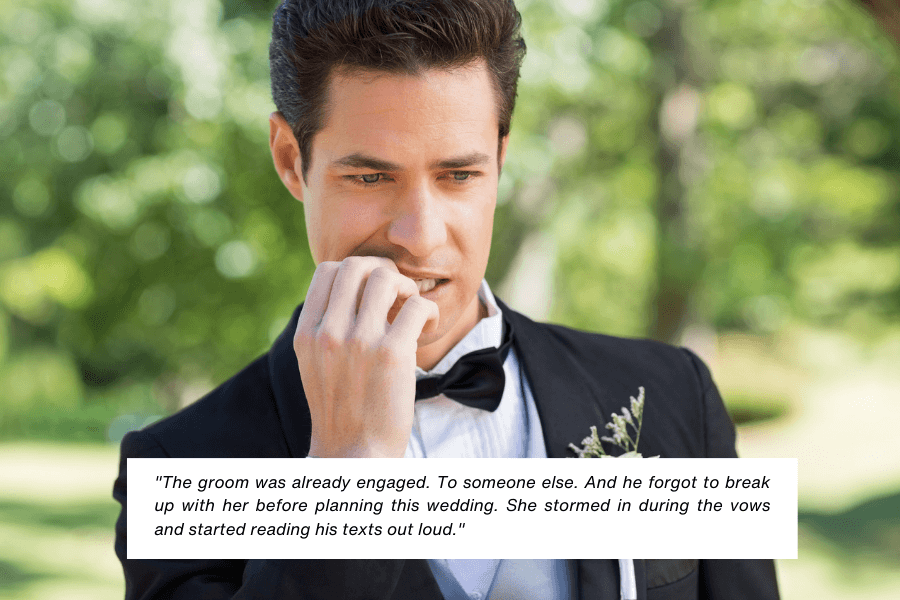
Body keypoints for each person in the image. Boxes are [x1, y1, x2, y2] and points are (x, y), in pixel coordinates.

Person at [113, 1, 781, 598]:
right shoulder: (177, 467)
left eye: (458, 175)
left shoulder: (673, 394)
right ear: (293, 161)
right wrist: (347, 472)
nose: (420, 236)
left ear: (501, 158)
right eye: (371, 176)